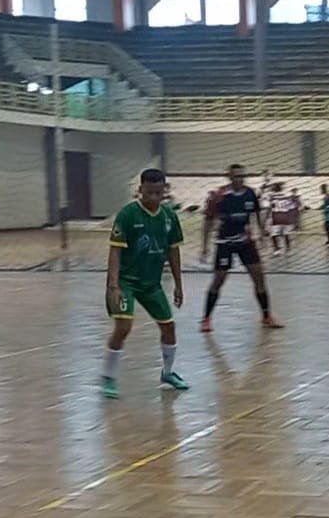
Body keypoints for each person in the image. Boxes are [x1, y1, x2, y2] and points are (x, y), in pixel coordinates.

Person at [101, 169, 189, 399]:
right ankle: (108, 376)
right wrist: (113, 286)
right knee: (123, 328)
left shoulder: (169, 217)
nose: (154, 197)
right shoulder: (128, 215)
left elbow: (173, 251)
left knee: (169, 327)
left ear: (164, 191)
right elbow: (115, 251)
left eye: (158, 193)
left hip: (152, 284)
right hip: (126, 282)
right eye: (149, 192)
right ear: (140, 190)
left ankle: (167, 373)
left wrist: (178, 284)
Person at [199, 163, 283, 333]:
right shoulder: (219, 196)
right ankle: (206, 319)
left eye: (242, 176)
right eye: (236, 176)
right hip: (224, 243)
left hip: (245, 242)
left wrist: (262, 234)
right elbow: (208, 221)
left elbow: (256, 214)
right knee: (218, 280)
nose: (240, 179)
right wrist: (205, 247)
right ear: (229, 177)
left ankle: (266, 316)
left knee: (259, 277)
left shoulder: (250, 193)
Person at [266, 182, 293, 255]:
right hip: (285, 217)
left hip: (276, 217)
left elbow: (270, 208)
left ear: (274, 189)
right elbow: (290, 207)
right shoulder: (286, 196)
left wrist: (268, 218)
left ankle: (276, 249)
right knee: (286, 234)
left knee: (273, 234)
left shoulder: (272, 197)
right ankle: (288, 249)